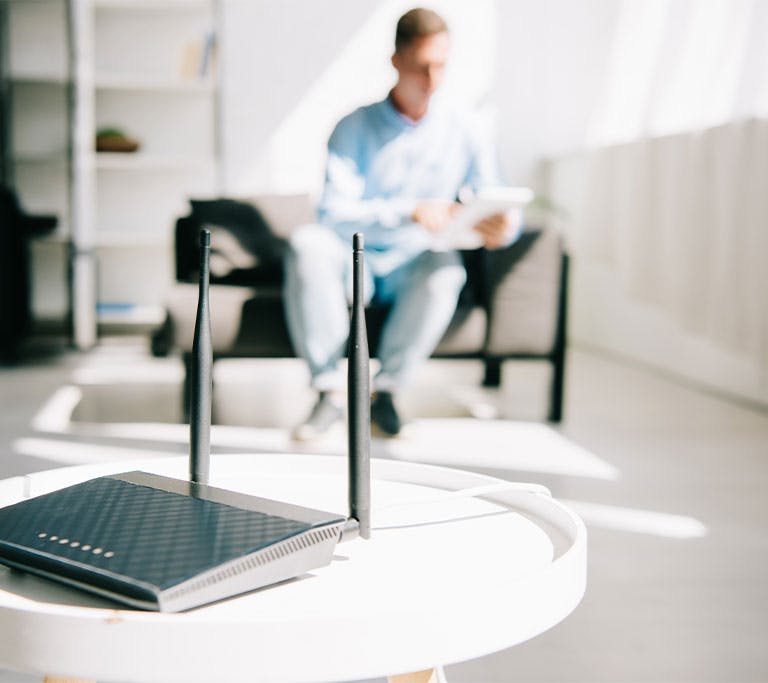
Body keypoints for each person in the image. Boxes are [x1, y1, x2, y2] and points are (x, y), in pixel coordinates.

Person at [284, 7, 519, 440]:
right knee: (307, 244)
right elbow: (333, 213)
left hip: (416, 262)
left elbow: (496, 196)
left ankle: (385, 393)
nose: (431, 81)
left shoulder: (467, 129)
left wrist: (504, 227)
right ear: (396, 61)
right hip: (355, 262)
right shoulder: (352, 128)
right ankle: (330, 391)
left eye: (441, 67)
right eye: (421, 67)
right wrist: (409, 210)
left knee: (446, 268)